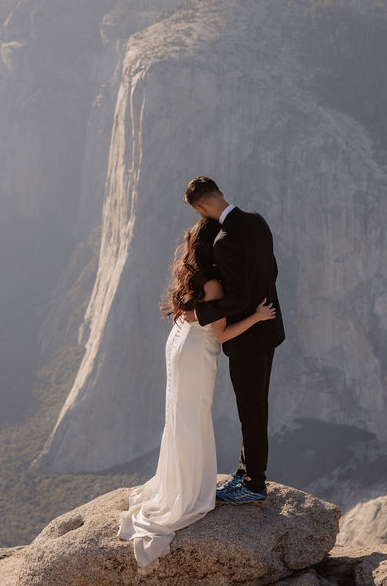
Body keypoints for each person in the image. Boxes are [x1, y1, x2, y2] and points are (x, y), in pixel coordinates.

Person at [118, 216, 276, 569]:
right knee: (192, 417)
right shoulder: (214, 283)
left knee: (180, 415)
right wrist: (258, 316)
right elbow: (221, 333)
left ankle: (177, 481)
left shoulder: (192, 271)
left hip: (179, 342)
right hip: (195, 353)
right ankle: (187, 494)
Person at [184, 176, 285, 504]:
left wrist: (201, 314)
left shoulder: (223, 242)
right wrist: (263, 303)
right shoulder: (257, 221)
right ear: (220, 193)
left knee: (250, 408)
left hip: (248, 337)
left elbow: (238, 299)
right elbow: (273, 270)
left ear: (200, 208)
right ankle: (245, 471)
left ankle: (254, 483)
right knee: (255, 404)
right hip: (268, 328)